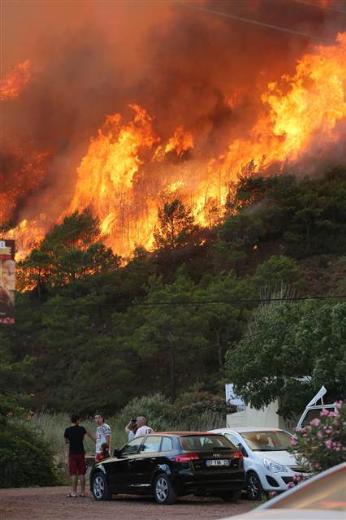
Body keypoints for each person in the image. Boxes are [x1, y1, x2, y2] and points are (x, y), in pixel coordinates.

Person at [64, 414, 94, 497]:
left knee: (73, 473)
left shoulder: (67, 430)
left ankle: (73, 492)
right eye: (79, 420)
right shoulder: (82, 429)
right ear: (77, 420)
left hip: (72, 453)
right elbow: (86, 436)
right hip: (81, 453)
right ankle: (83, 492)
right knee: (82, 473)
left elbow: (66, 442)